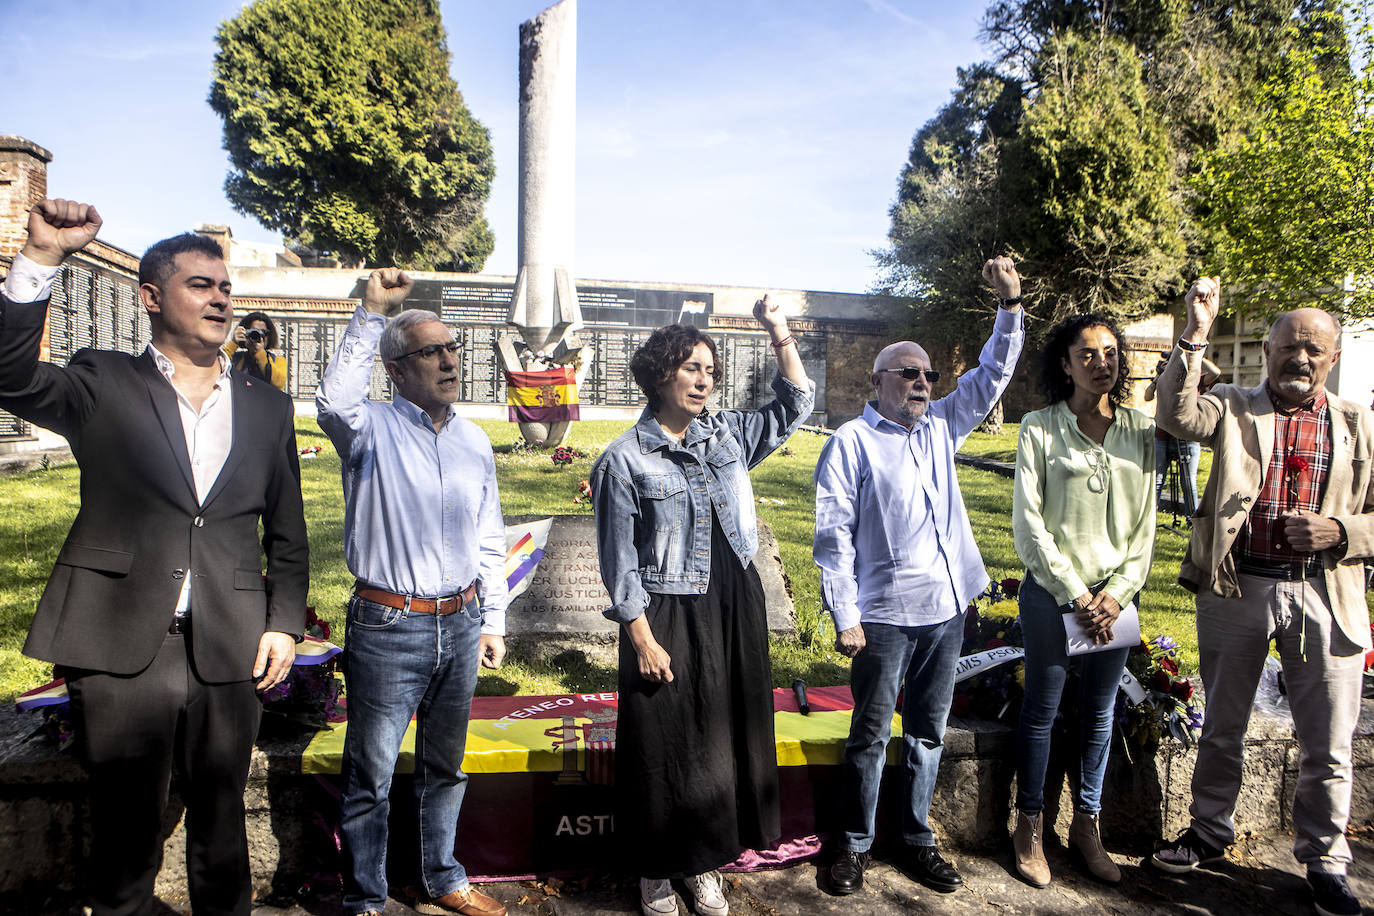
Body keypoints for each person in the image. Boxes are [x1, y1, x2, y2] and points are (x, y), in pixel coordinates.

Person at [0, 199, 309, 916]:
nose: (220, 297)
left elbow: (288, 531)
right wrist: (41, 260)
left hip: (232, 644)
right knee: (127, 831)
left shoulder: (267, 406)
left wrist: (284, 622)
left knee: (222, 827)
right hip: (119, 642)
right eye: (200, 284)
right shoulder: (103, 381)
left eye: (225, 286)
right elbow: (11, 379)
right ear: (151, 297)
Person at [1151, 277, 1371, 916]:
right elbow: (1174, 416)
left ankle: (1326, 859)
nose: (1300, 360)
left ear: (1332, 359)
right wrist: (1195, 332)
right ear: (1269, 351)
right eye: (1289, 348)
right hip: (1238, 586)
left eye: (1315, 351)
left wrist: (1344, 531)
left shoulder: (1362, 424)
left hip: (1327, 595)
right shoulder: (1235, 405)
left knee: (1328, 741)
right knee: (1223, 725)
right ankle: (1211, 831)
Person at [590, 296, 813, 916]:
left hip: (734, 602)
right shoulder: (624, 460)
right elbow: (619, 560)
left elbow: (797, 404)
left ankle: (704, 862)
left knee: (719, 737)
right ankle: (657, 869)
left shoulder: (730, 435)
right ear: (661, 374)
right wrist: (639, 635)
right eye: (692, 367)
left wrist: (779, 333)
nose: (704, 378)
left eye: (710, 369)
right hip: (667, 610)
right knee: (665, 743)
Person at [813, 257, 1024, 897]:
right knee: (871, 734)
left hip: (947, 611)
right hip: (882, 618)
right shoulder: (851, 442)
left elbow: (990, 377)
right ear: (878, 381)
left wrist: (1009, 307)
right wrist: (844, 613)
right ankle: (853, 846)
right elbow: (831, 534)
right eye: (909, 373)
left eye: (929, 374)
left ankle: (915, 839)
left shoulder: (941, 428)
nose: (923, 383)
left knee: (929, 732)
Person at [316, 270, 509, 916]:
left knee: (445, 766)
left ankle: (443, 877)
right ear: (395, 371)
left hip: (461, 620)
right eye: (431, 351)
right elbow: (330, 403)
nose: (449, 359)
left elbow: (490, 534)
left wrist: (493, 620)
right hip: (387, 624)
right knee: (370, 774)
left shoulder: (473, 440)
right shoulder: (367, 429)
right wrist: (371, 314)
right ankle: (366, 897)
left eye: (451, 347)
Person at [1010, 313, 1155, 887]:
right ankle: (1029, 827)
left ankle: (1086, 827)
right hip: (1053, 596)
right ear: (1065, 364)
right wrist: (1076, 594)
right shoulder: (1039, 428)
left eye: (1111, 352)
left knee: (1100, 715)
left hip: (1114, 605)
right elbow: (1028, 524)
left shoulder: (1140, 431)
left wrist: (1115, 596)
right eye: (1087, 353)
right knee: (1042, 713)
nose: (1102, 362)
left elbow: (1145, 529)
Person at [1145, 352, 1219, 518]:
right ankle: (1149, 519)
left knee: (1188, 482)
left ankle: (1192, 520)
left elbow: (1215, 372)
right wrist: (1158, 377)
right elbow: (1147, 396)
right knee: (1157, 480)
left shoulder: (1192, 379)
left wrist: (1194, 356)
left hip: (1187, 437)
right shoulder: (1163, 380)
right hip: (1162, 437)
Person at [224, 310, 288, 391]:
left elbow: (278, 383)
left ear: (269, 336)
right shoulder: (236, 359)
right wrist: (233, 343)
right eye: (253, 332)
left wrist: (260, 353)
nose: (258, 336)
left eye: (264, 332)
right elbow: (218, 368)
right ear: (245, 333)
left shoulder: (278, 361)